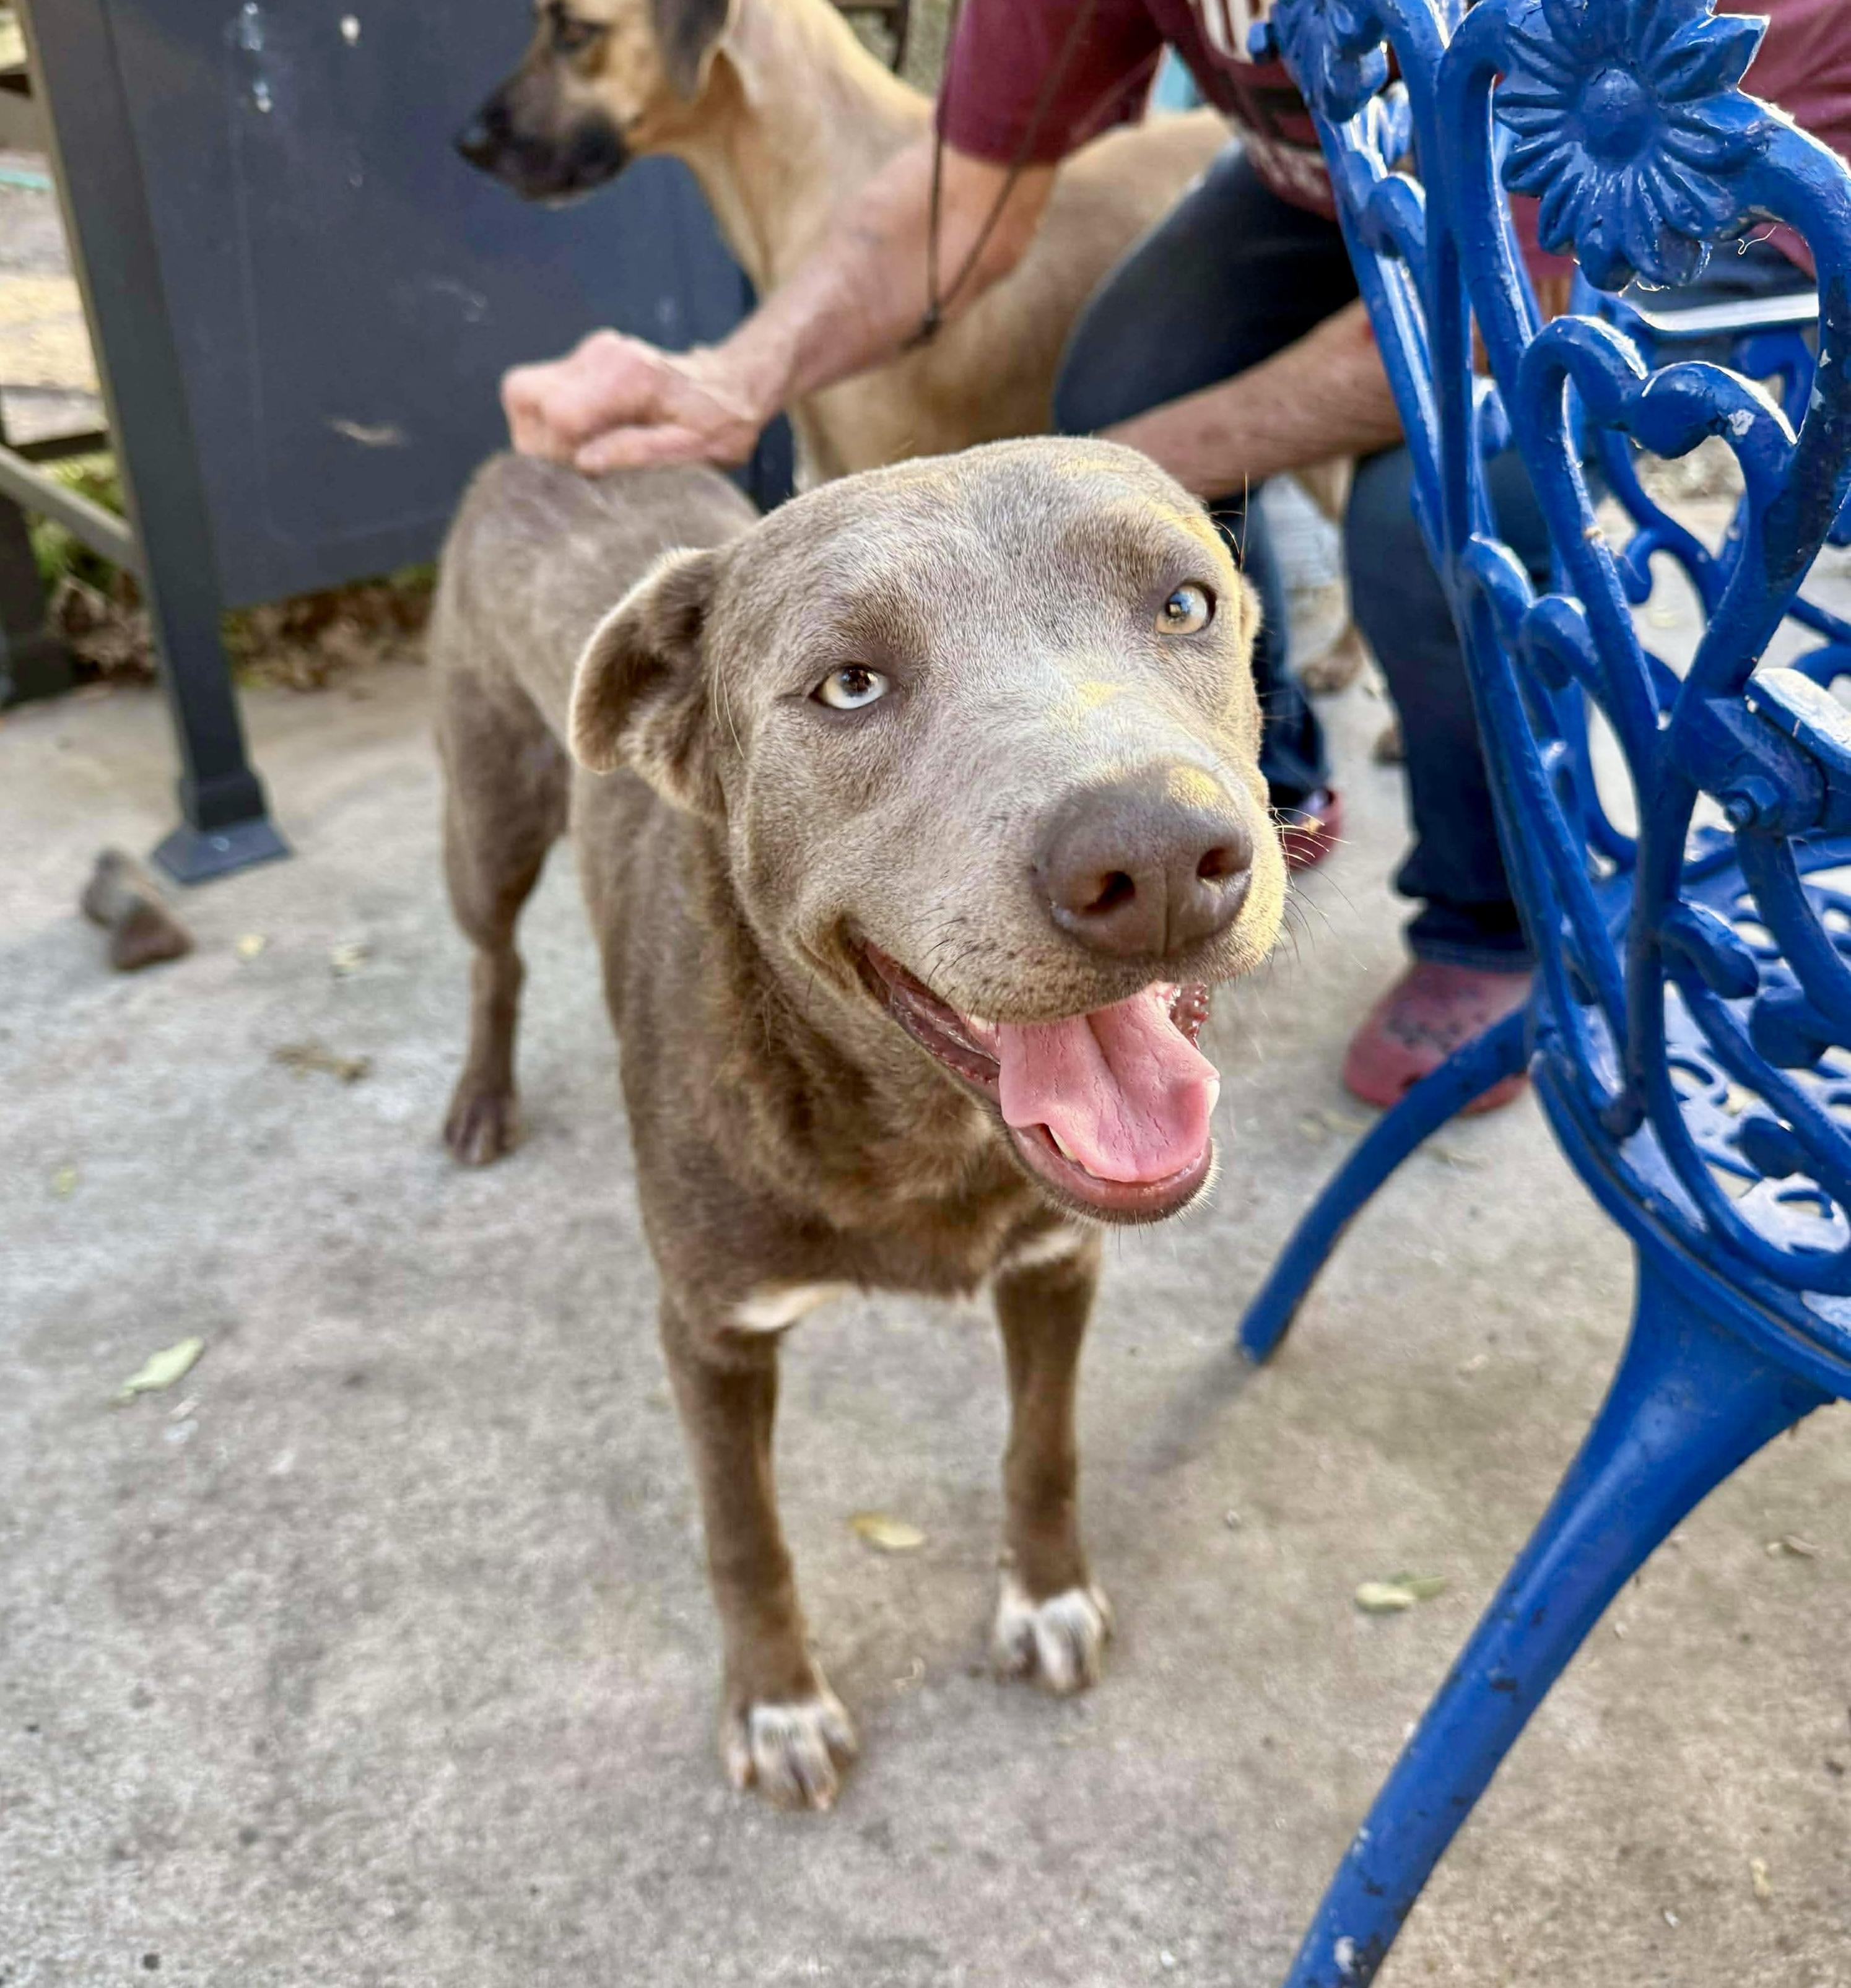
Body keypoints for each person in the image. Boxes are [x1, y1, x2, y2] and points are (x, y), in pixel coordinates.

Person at [503, 0, 1851, 1113]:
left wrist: (1098, 486)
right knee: (1119, 387)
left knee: (1419, 525)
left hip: (1684, 228)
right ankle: (1254, 777)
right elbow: (957, 203)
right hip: (1348, 194)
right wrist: (732, 381)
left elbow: (1482, 311)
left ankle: (1486, 920)